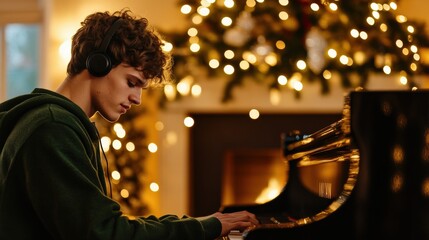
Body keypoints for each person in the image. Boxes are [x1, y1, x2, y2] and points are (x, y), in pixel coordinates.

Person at [0, 9, 259, 240]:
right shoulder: (54, 128)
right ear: (97, 64)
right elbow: (104, 233)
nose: (136, 99)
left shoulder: (56, 122)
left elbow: (103, 225)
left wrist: (200, 224)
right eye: (132, 83)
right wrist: (204, 229)